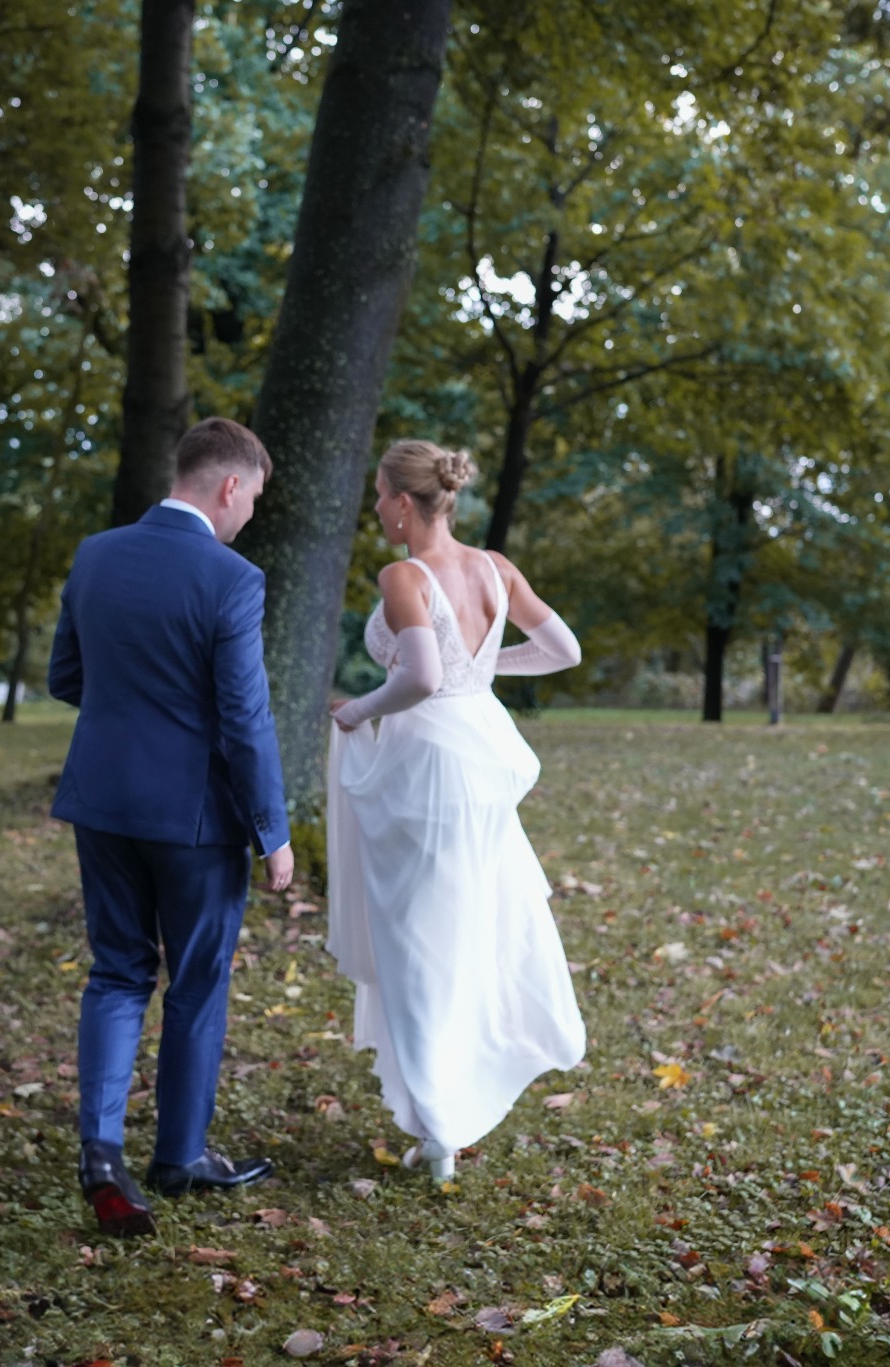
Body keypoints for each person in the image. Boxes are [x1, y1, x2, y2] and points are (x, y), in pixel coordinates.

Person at [48, 417, 295, 1238]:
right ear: (229, 485)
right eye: (252, 499)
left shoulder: (95, 554)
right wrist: (272, 830)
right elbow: (245, 717)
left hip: (102, 799)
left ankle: (102, 1153)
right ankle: (181, 1155)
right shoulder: (231, 577)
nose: (249, 516)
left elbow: (66, 676)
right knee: (195, 979)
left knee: (117, 971)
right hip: (195, 818)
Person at [325, 440, 586, 1181]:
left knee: (417, 941)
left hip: (428, 764)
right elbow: (562, 649)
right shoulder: (496, 568)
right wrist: (485, 667)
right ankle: (444, 1105)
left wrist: (355, 710)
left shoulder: (404, 575)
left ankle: (439, 1124)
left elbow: (420, 677)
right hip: (482, 749)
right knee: (464, 926)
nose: (377, 506)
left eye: (381, 494)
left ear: (405, 503)